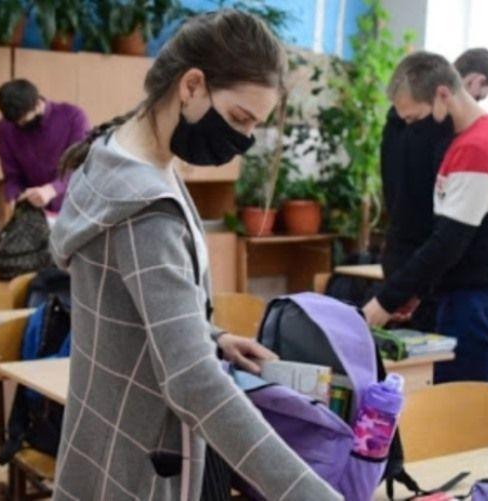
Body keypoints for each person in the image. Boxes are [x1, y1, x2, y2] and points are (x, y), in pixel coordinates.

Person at [49, 10, 340, 501]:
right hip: (145, 469)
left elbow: (135, 298)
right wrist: (310, 494)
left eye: (254, 126)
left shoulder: (120, 156)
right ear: (191, 86)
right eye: (239, 118)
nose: (241, 141)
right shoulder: (148, 210)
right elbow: (193, 384)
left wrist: (210, 336)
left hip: (106, 441)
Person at [363, 51, 488, 384]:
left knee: (463, 410)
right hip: (470, 298)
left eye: (414, 118)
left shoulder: (478, 148)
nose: (411, 129)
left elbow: (447, 243)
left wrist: (383, 303)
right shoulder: (469, 140)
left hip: (481, 303)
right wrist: (413, 290)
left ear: (443, 95)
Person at [380, 47, 488, 332]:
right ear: (473, 81)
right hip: (427, 260)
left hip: (401, 252)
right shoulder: (439, 129)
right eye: (481, 97)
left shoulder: (399, 117)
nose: (477, 107)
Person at [0, 79, 90, 212]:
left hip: (75, 206)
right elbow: (12, 175)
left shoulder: (73, 117)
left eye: (24, 121)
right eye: (16, 124)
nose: (20, 126)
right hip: (34, 210)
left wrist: (52, 189)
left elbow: (80, 166)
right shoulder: (5, 127)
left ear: (37, 104)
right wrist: (14, 196)